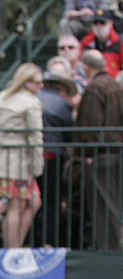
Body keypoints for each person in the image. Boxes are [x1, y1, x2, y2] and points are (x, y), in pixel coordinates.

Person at [0, 62, 44, 249]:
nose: (41, 86)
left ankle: (13, 245)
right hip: (20, 160)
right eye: (37, 82)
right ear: (27, 82)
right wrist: (37, 166)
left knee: (32, 201)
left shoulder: (4, 96)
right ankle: (12, 248)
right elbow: (36, 136)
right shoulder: (31, 103)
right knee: (16, 207)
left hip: (3, 157)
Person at [75, 48, 123, 250]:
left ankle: (107, 250)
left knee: (103, 205)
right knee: (114, 203)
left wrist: (87, 153)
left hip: (100, 154)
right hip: (117, 152)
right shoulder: (116, 86)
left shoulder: (95, 88)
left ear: (87, 66)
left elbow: (90, 124)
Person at [36, 72, 77, 246]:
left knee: (32, 201)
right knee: (52, 201)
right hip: (53, 155)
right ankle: (48, 242)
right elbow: (70, 133)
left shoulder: (33, 98)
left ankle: (32, 241)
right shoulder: (62, 104)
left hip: (33, 155)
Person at [80, 10, 122, 77]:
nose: (99, 26)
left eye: (102, 22)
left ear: (110, 24)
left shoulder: (120, 43)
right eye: (95, 23)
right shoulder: (85, 43)